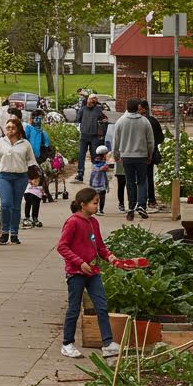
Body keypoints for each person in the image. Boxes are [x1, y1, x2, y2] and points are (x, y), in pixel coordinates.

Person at [57, 188, 121, 359]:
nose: (96, 206)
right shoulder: (72, 222)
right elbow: (62, 246)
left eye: (97, 203)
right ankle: (67, 343)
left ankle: (107, 343)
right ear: (82, 204)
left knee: (101, 306)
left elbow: (99, 246)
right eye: (94, 203)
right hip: (76, 273)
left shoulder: (94, 222)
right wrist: (79, 262)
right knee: (74, 308)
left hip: (93, 273)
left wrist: (110, 257)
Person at [0, 116, 37, 245]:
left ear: (18, 129)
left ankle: (14, 233)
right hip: (4, 177)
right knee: (6, 204)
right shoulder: (0, 142)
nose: (10, 130)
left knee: (16, 206)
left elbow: (31, 161)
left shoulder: (25, 144)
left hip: (20, 177)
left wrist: (34, 177)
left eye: (13, 128)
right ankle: (4, 231)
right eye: (7, 128)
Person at [113, 99, 155, 221]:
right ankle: (141, 205)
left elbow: (116, 141)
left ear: (127, 107)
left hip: (126, 156)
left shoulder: (120, 121)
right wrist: (150, 155)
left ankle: (131, 207)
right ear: (137, 107)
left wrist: (116, 155)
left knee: (130, 181)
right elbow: (150, 141)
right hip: (141, 155)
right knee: (142, 180)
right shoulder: (144, 121)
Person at [138, 101, 165, 212]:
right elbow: (161, 138)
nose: (138, 111)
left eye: (139, 108)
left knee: (142, 178)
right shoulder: (153, 120)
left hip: (140, 153)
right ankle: (151, 199)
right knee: (148, 177)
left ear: (144, 109)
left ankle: (142, 201)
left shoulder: (141, 122)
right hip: (150, 153)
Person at [73, 94, 103, 183]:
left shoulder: (98, 109)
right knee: (81, 155)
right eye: (89, 99)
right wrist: (82, 107)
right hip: (84, 136)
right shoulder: (83, 109)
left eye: (92, 100)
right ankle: (80, 174)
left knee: (94, 155)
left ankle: (96, 173)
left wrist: (97, 102)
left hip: (94, 136)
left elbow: (103, 117)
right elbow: (78, 119)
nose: (90, 101)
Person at [103, 120, 127, 214]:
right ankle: (122, 203)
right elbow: (115, 145)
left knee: (126, 183)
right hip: (121, 159)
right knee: (122, 183)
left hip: (127, 159)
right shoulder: (119, 127)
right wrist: (116, 156)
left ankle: (127, 204)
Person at [89, 145, 111, 214]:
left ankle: (97, 209)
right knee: (101, 197)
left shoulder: (95, 163)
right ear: (104, 155)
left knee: (96, 198)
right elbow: (105, 169)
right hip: (101, 184)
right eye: (106, 154)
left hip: (95, 184)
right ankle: (100, 210)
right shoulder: (104, 164)